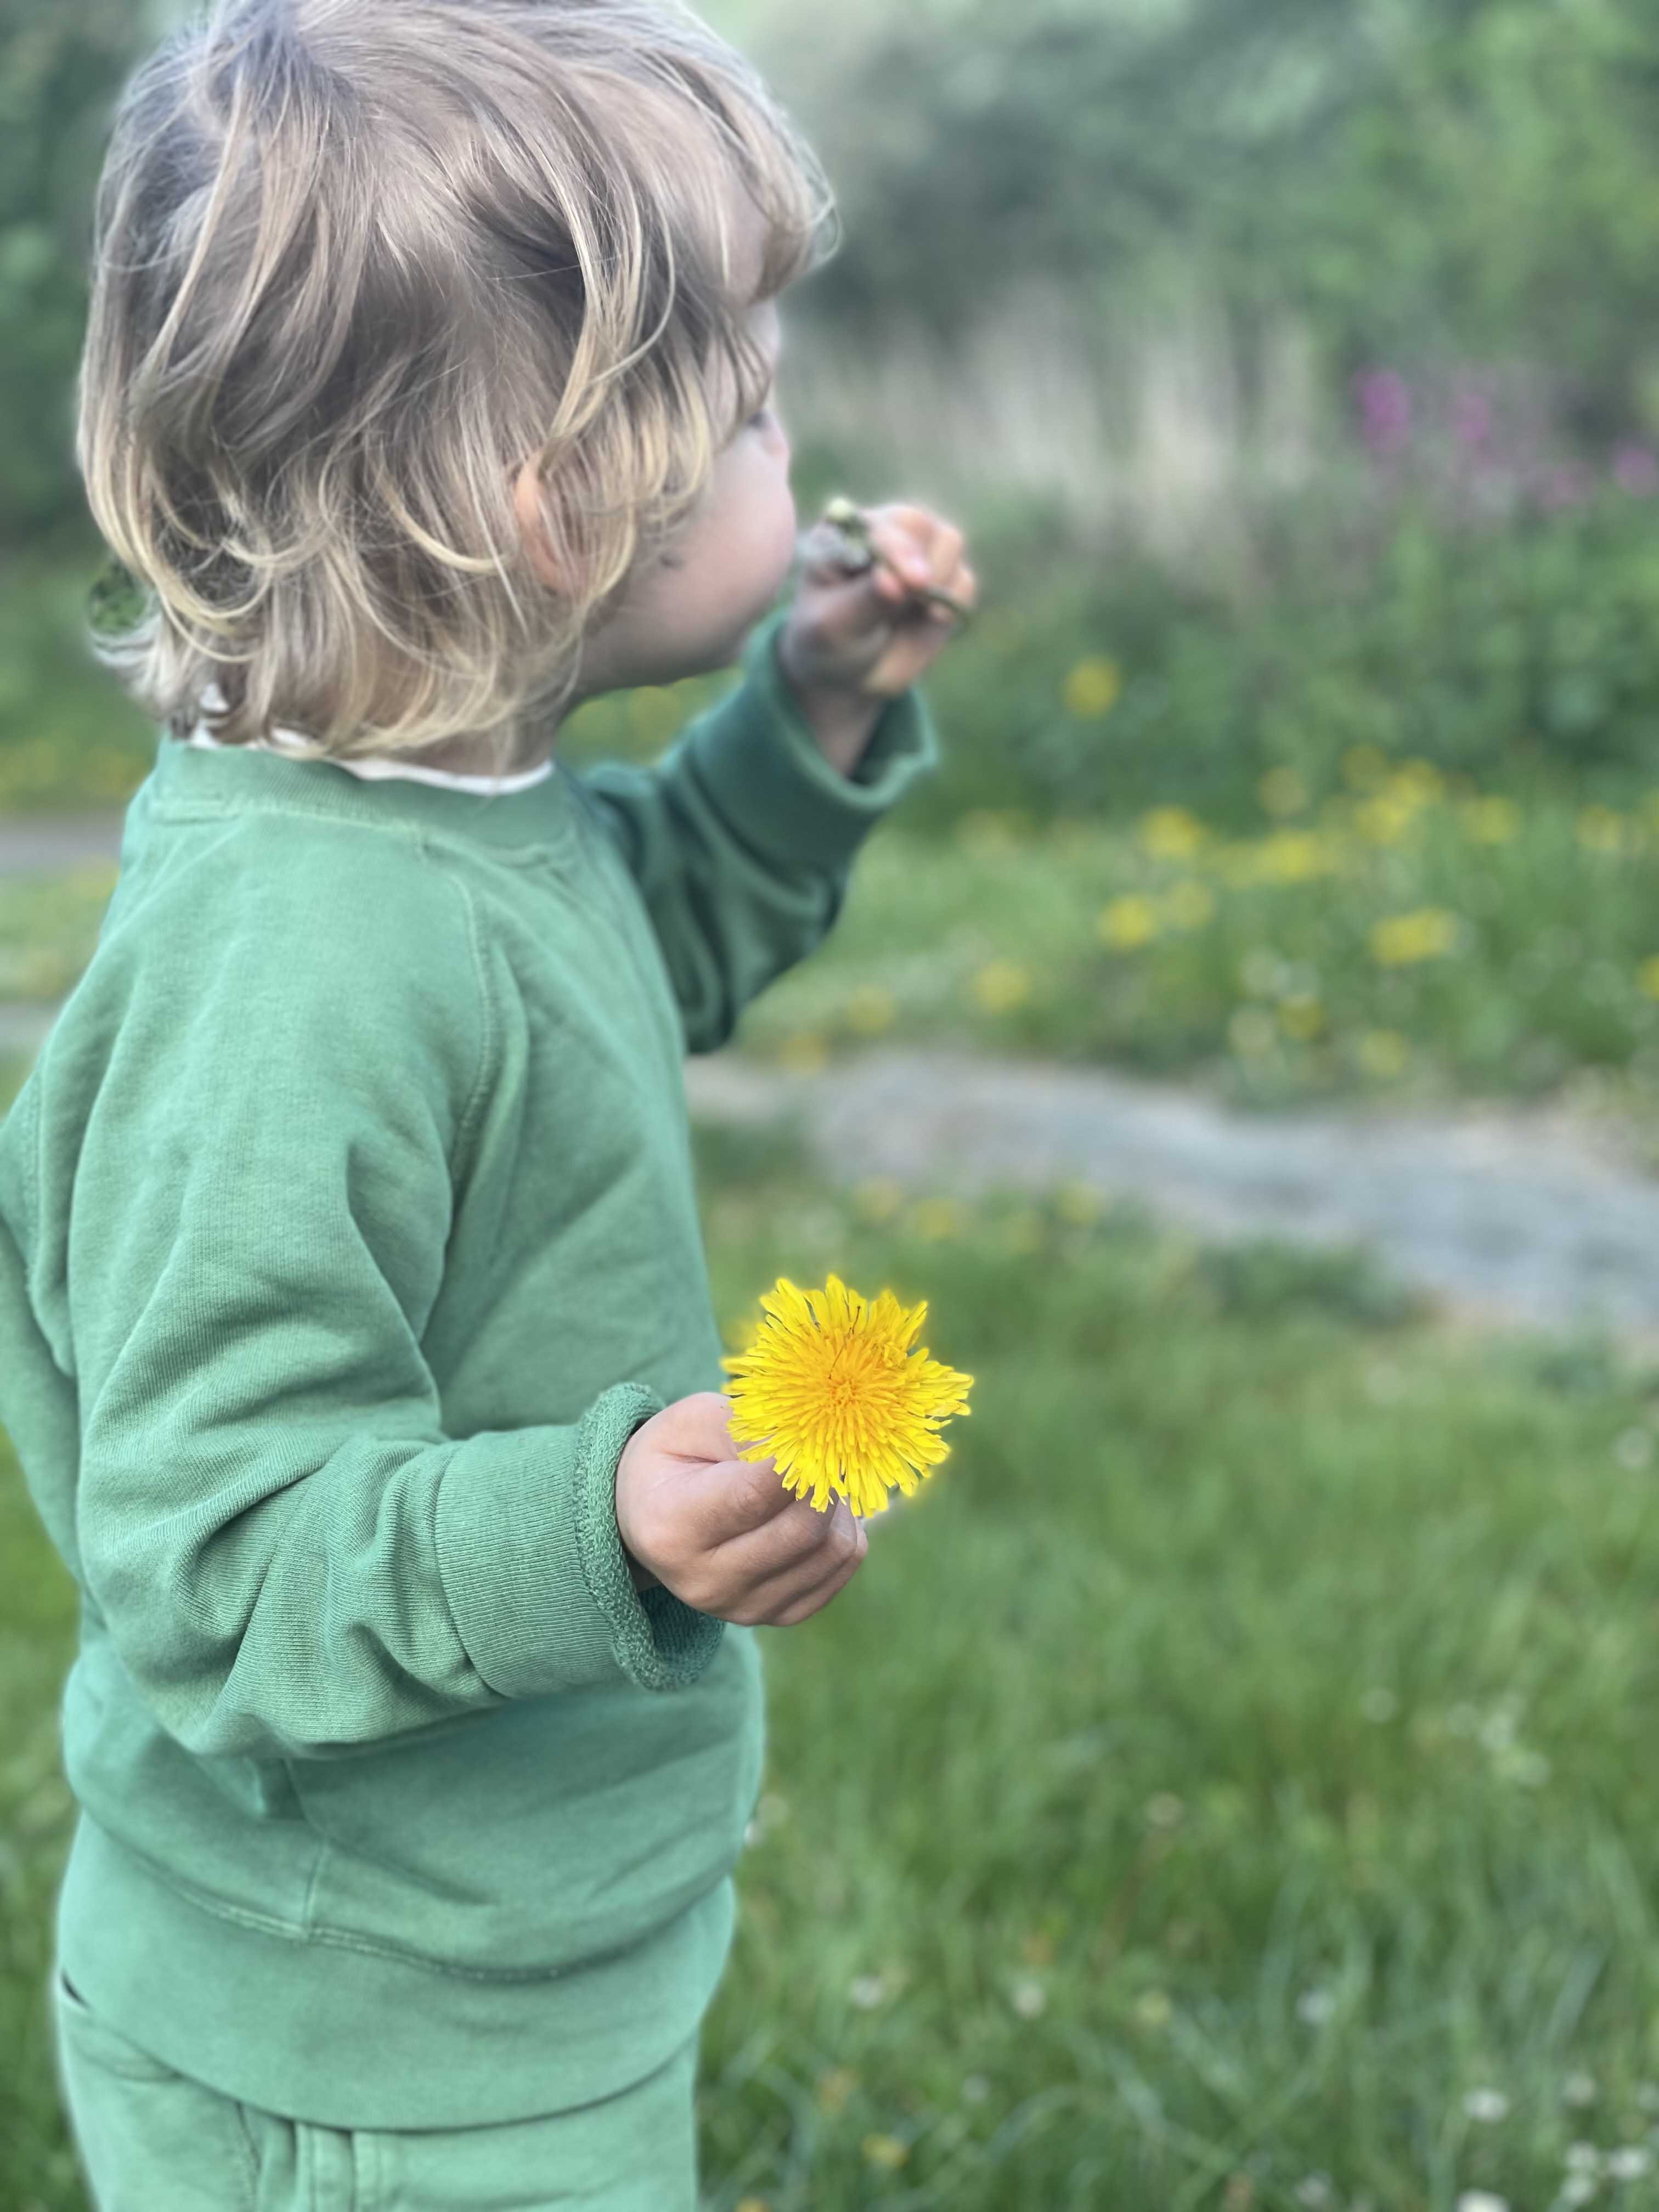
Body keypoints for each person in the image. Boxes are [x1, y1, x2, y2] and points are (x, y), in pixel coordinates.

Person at [0, 2, 977, 2205]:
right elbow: (222, 1556)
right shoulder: (302, 970)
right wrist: (598, 1519)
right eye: (744, 417)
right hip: (356, 2050)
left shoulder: (475, 830)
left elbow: (644, 948)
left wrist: (805, 704)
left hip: (499, 1965)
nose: (792, 450)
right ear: (555, 514)